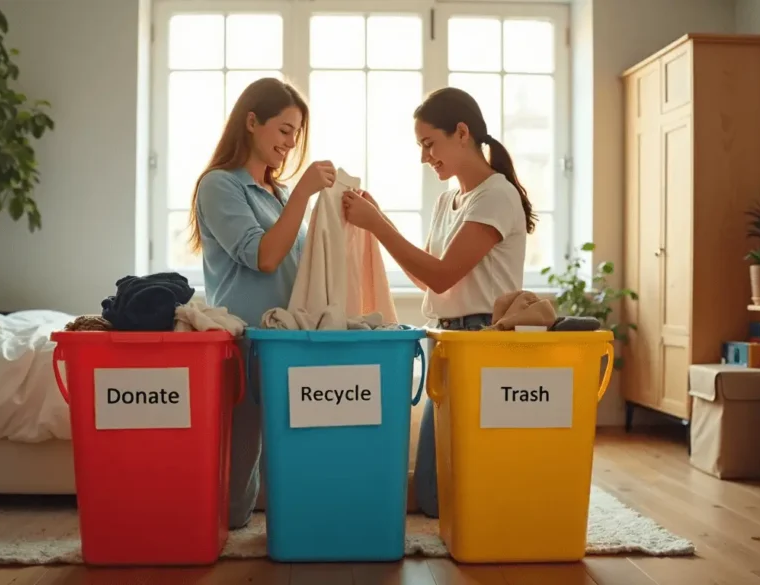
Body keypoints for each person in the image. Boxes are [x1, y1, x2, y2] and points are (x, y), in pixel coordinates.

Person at [340, 86, 536, 518]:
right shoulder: (450, 201)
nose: (425, 157)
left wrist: (378, 226)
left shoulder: (496, 195)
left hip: (482, 339)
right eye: (422, 147)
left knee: (451, 488)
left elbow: (442, 274)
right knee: (432, 492)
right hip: (447, 339)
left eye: (430, 144)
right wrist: (381, 222)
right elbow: (430, 280)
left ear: (462, 133)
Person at [188, 77, 336, 528]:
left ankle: (293, 531)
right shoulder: (218, 186)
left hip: (289, 343)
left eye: (296, 134)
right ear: (252, 122)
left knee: (295, 465)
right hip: (246, 343)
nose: (291, 144)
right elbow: (266, 257)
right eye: (284, 130)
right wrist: (307, 194)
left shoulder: (280, 194)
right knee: (235, 494)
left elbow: (302, 267)